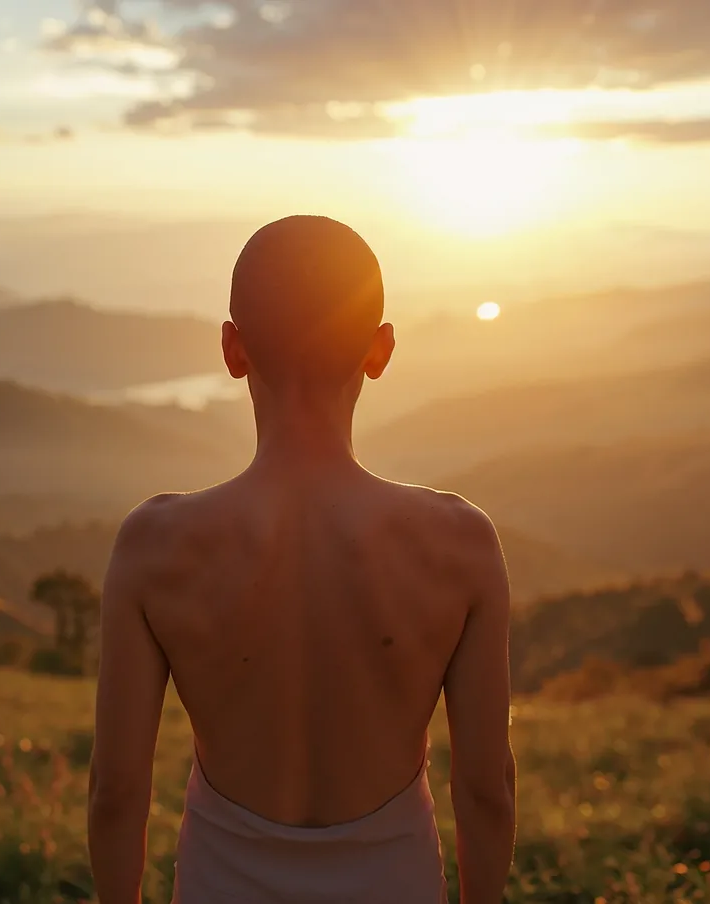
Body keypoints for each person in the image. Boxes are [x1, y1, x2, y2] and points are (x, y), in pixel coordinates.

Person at [87, 215, 517, 904]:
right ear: (380, 351)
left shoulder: (154, 545)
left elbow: (116, 792)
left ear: (233, 348)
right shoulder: (460, 544)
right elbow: (487, 789)